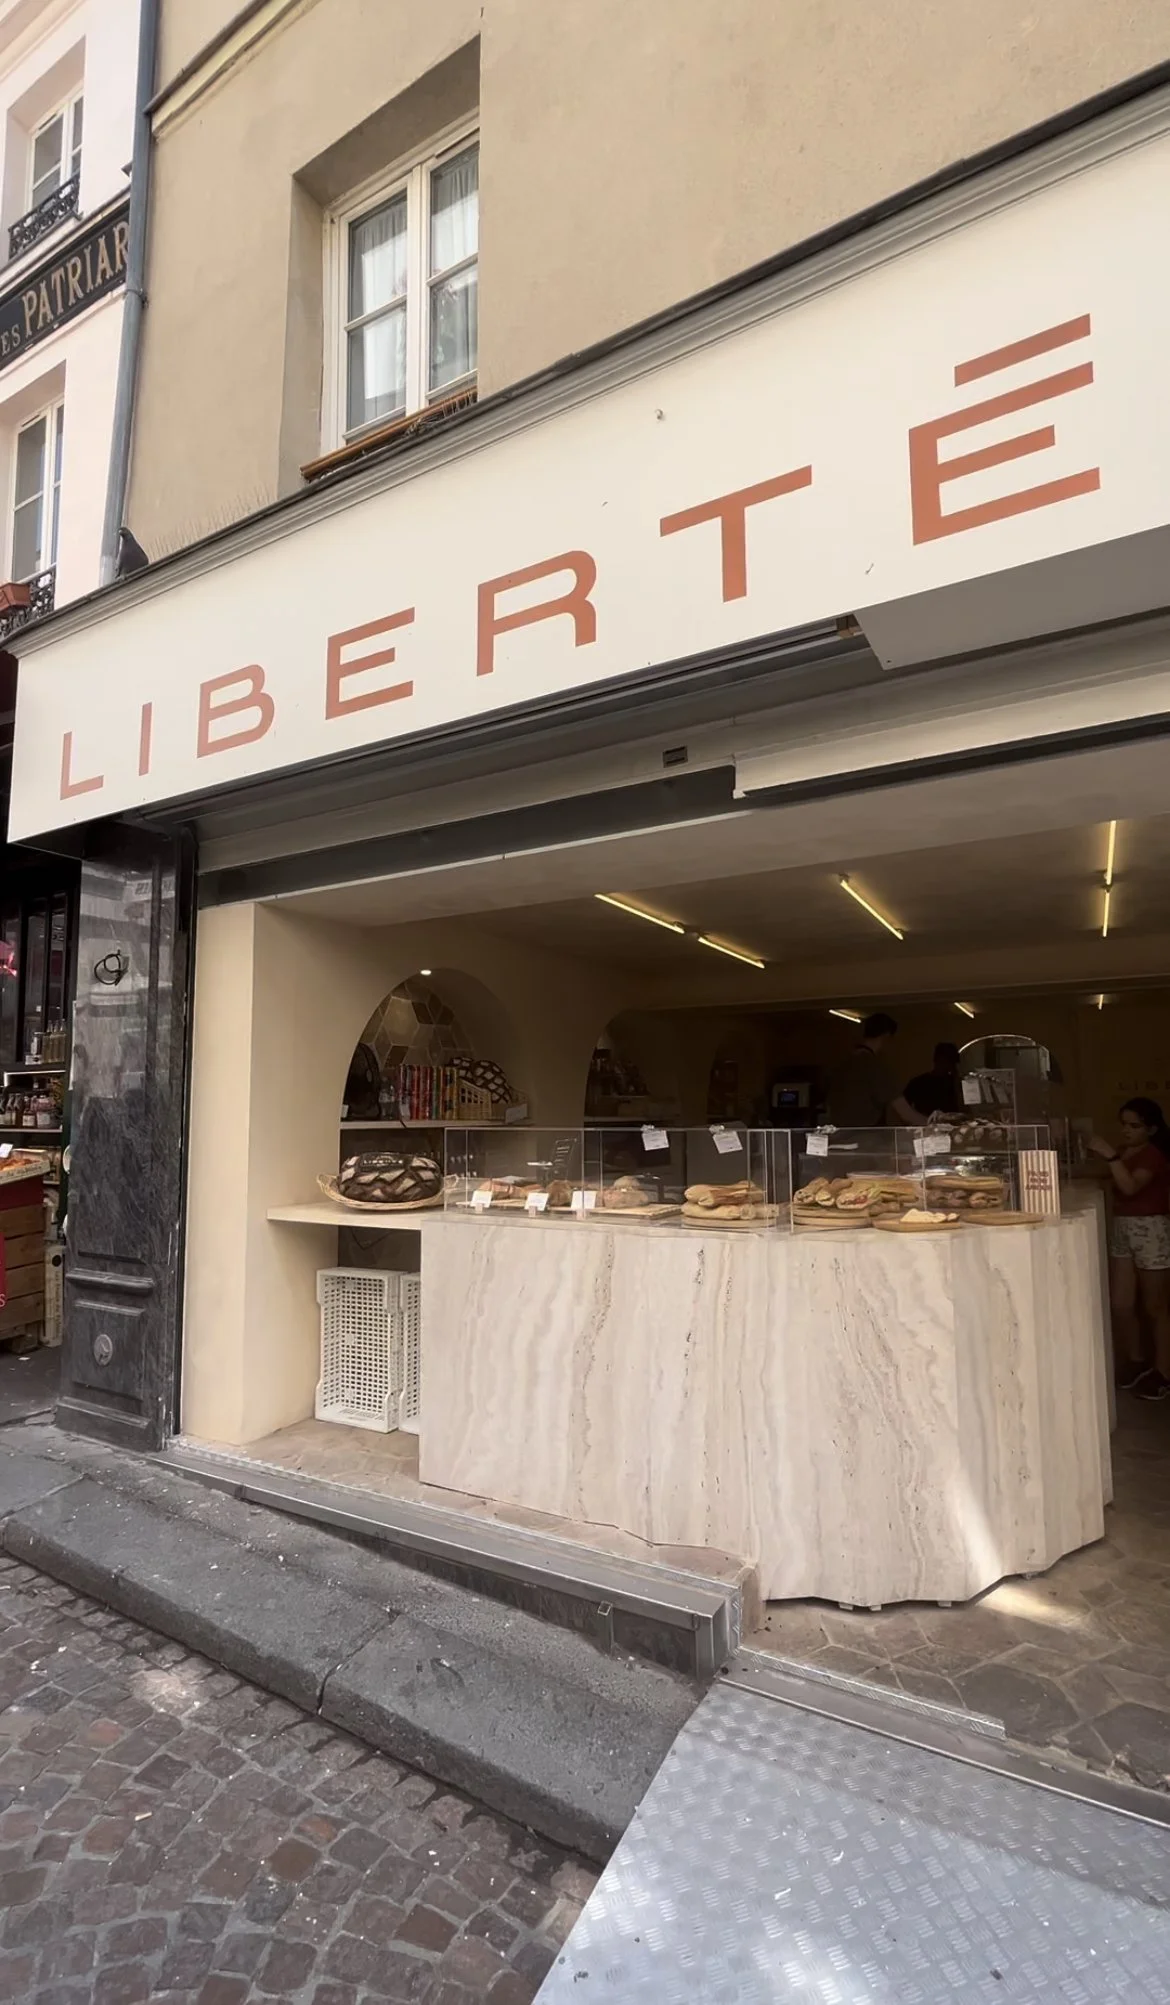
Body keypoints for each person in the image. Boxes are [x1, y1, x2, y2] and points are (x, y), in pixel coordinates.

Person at [1089, 1097, 1170, 1399]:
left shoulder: (1153, 1155)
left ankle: (1164, 1371)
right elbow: (1107, 1178)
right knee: (1121, 1304)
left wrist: (1110, 1157)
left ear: (1150, 1129)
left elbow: (1130, 1187)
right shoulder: (1127, 1152)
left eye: (1134, 1126)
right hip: (1123, 1228)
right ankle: (1136, 1361)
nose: (1126, 1130)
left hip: (1151, 1229)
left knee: (1155, 1307)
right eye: (1124, 1124)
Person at [827, 1013, 919, 1128]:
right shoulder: (875, 1067)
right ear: (887, 1036)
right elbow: (906, 1114)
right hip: (864, 1138)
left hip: (837, 1136)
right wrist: (933, 1126)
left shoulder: (842, 1064)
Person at [903, 1042, 962, 1120]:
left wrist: (956, 1079)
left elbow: (965, 1108)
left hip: (952, 1126)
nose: (947, 1065)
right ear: (937, 1059)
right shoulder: (918, 1083)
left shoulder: (955, 1083)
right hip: (924, 1125)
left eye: (951, 1063)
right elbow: (903, 1107)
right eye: (945, 1061)